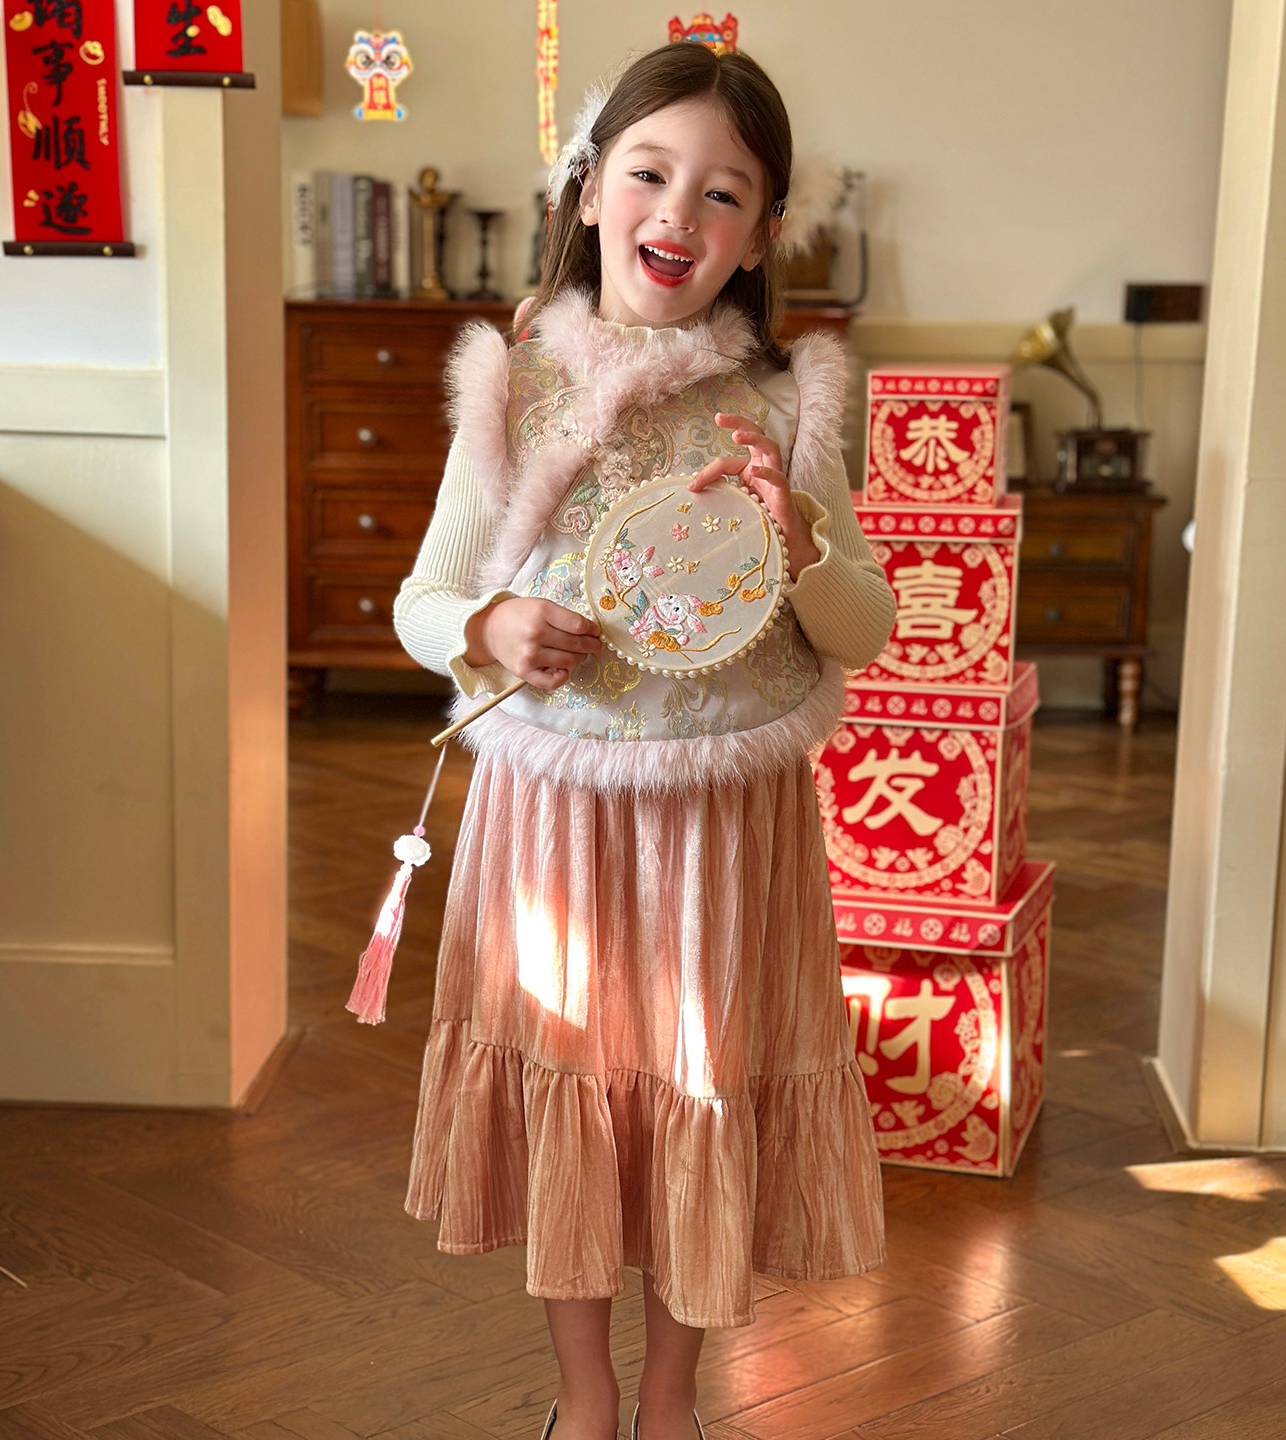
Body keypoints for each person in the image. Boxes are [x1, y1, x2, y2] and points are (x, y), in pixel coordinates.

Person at [392, 42, 895, 1440]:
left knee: (697, 1093)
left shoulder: (787, 407)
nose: (679, 213)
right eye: (650, 173)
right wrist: (487, 628)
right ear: (587, 188)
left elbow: (864, 626)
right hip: (554, 814)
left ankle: (672, 1403)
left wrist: (802, 541)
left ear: (764, 233)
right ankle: (585, 1399)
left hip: (728, 826)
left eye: (724, 192)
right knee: (573, 1085)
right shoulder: (515, 387)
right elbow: (425, 599)